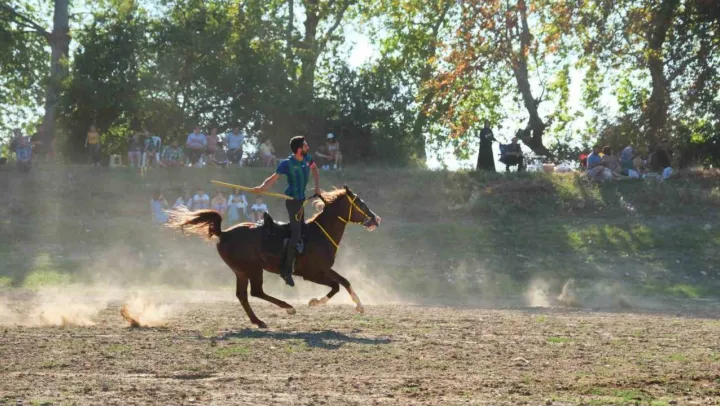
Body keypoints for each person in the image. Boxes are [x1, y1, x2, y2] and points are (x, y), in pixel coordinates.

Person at [254, 135, 321, 287]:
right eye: (305, 145)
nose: (308, 147)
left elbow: (314, 169)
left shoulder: (307, 158)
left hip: (301, 201)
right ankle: (285, 270)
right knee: (296, 235)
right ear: (299, 149)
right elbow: (273, 178)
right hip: (292, 202)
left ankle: (299, 261)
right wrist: (262, 188)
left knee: (302, 230)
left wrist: (317, 186)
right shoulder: (286, 163)